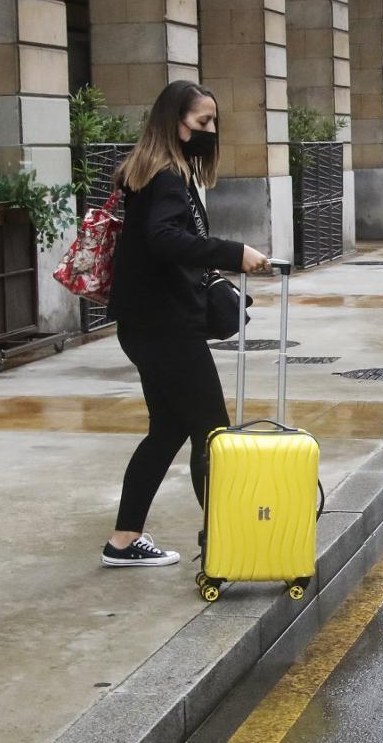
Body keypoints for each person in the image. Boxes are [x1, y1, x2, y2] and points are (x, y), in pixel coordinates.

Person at [102, 81, 270, 566]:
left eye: (213, 122)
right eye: (202, 123)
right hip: (164, 327)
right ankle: (228, 543)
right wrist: (233, 252)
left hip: (146, 325)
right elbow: (164, 239)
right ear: (174, 121)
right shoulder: (167, 177)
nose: (210, 131)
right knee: (212, 431)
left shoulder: (148, 173)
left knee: (168, 431)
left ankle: (123, 540)